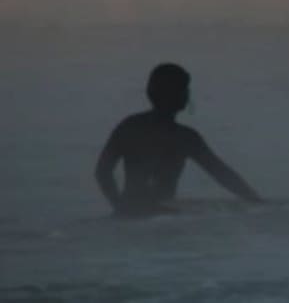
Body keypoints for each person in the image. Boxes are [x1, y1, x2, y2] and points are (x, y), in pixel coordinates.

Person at [94, 63, 264, 217]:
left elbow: (102, 171)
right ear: (176, 95)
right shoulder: (184, 137)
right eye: (184, 89)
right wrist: (255, 200)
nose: (188, 94)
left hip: (132, 211)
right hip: (161, 216)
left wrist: (119, 206)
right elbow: (221, 173)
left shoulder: (129, 126)